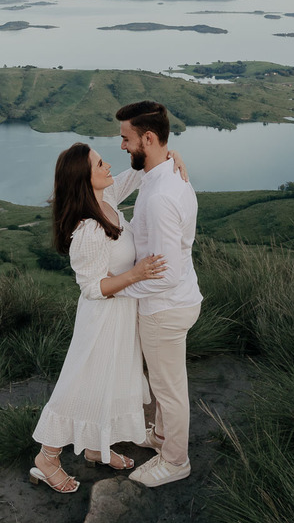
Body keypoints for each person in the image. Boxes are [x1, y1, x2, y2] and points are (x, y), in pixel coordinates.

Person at [29, 142, 188, 493]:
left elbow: (133, 175)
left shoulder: (106, 198)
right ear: (86, 179)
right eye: (100, 163)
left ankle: (97, 447)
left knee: (114, 381)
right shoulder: (88, 228)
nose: (108, 165)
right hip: (101, 320)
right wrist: (137, 274)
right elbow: (91, 287)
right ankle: (47, 458)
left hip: (121, 316)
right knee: (82, 383)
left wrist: (164, 156)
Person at [113, 100, 203, 488]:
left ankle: (176, 461)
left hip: (164, 307)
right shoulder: (159, 174)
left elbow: (167, 274)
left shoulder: (162, 194)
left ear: (147, 138)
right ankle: (162, 438)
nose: (122, 146)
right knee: (166, 383)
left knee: (170, 388)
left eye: (126, 139)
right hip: (171, 303)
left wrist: (120, 289)